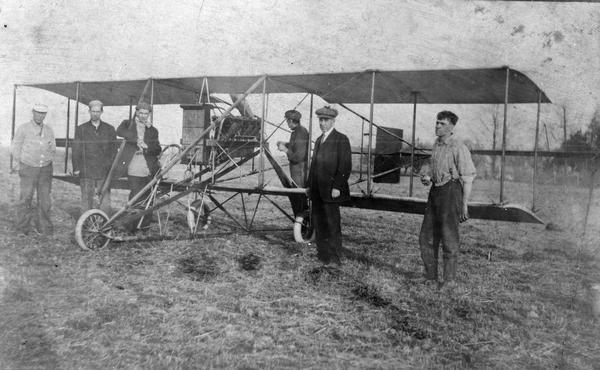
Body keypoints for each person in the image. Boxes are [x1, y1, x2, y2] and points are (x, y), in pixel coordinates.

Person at [418, 110, 476, 287]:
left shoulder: (459, 147)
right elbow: (432, 167)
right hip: (435, 192)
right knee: (426, 237)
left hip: (451, 193)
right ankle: (430, 277)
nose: (437, 126)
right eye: (437, 122)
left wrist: (464, 205)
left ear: (451, 127)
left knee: (449, 237)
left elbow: (468, 178)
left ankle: (449, 281)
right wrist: (427, 176)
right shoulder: (437, 145)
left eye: (441, 123)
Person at [307, 105, 352, 265]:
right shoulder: (319, 140)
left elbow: (345, 166)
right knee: (319, 222)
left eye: (325, 120)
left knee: (332, 223)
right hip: (317, 190)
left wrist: (337, 187)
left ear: (333, 121)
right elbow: (314, 166)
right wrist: (309, 186)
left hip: (331, 191)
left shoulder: (341, 139)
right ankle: (323, 255)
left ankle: (334, 257)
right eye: (320, 120)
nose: (322, 123)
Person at [11, 103, 56, 235]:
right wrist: (23, 162)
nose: (40, 116)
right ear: (32, 112)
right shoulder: (23, 128)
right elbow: (16, 147)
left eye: (43, 113)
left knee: (45, 200)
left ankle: (44, 228)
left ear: (45, 115)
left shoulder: (48, 130)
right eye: (37, 112)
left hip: (45, 170)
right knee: (25, 198)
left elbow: (52, 148)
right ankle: (22, 229)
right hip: (28, 169)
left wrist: (47, 160)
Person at [115, 102, 161, 230]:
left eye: (146, 113)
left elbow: (157, 149)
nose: (143, 116)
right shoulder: (128, 124)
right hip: (133, 165)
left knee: (149, 196)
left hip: (148, 167)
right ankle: (131, 225)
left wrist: (147, 147)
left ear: (149, 114)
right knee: (135, 195)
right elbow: (119, 131)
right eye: (140, 113)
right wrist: (136, 140)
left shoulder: (152, 130)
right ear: (136, 112)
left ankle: (145, 225)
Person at [72, 100, 118, 215]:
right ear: (89, 111)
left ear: (102, 112)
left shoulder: (110, 129)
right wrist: (76, 168)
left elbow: (113, 151)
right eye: (93, 111)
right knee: (86, 201)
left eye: (98, 111)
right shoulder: (81, 129)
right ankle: (85, 226)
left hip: (104, 171)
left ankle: (103, 226)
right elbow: (76, 149)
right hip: (87, 170)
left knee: (105, 202)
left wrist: (111, 169)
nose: (95, 114)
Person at [277, 109, 309, 217]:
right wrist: (285, 144)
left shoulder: (300, 133)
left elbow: (298, 156)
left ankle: (302, 224)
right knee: (299, 198)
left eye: (287, 121)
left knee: (300, 198)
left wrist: (285, 150)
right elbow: (295, 146)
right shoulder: (298, 131)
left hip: (299, 172)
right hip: (297, 171)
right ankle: (302, 225)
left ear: (290, 120)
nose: (287, 123)